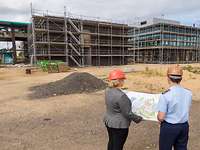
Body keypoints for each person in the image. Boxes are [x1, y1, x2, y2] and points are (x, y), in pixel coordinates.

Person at [103, 69, 143, 150]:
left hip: (109, 121)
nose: (123, 81)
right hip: (120, 125)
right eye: (122, 80)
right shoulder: (122, 96)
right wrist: (138, 118)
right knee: (118, 145)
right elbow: (128, 113)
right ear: (119, 81)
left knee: (111, 141)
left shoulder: (107, 90)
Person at [157, 65, 192, 150]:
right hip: (184, 126)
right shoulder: (188, 93)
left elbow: (161, 117)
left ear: (168, 78)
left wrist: (158, 117)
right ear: (181, 78)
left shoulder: (165, 95)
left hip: (169, 127)